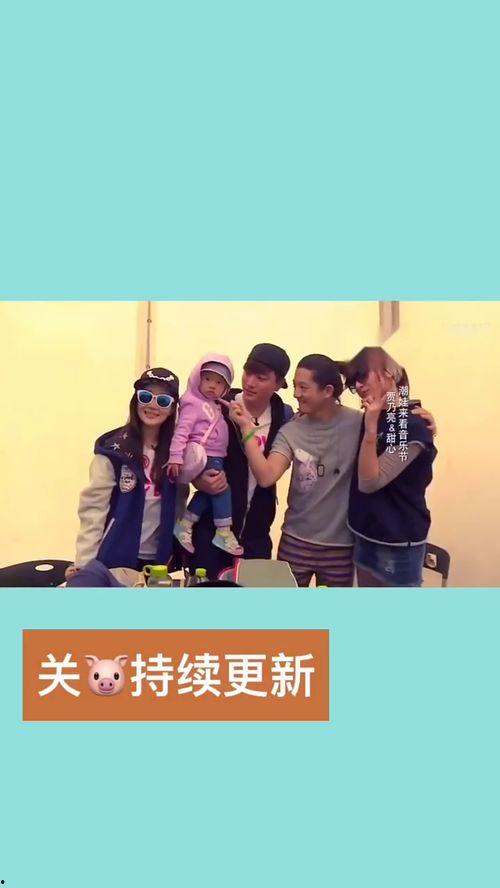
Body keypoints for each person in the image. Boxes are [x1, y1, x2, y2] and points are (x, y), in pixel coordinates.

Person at [228, 354, 437, 587]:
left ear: (327, 391)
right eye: (295, 386)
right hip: (296, 542)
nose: (296, 393)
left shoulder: (359, 423)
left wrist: (422, 423)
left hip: (343, 547)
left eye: (303, 387)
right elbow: (266, 476)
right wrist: (246, 428)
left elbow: (397, 429)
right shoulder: (291, 430)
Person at [185, 343, 294, 579]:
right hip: (211, 528)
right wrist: (198, 479)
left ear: (278, 384)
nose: (250, 382)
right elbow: (187, 450)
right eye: (247, 372)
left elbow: (271, 474)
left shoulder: (284, 416)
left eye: (261, 378)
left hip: (256, 535)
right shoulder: (216, 405)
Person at [67, 368, 180, 578]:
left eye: (163, 401)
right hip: (113, 561)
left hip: (160, 563)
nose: (152, 405)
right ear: (135, 400)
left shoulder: (177, 453)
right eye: (145, 396)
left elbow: (181, 501)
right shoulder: (113, 450)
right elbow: (93, 510)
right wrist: (84, 565)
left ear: (173, 408)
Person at [343, 347, 437, 587]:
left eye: (362, 376)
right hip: (365, 532)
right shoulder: (378, 413)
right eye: (354, 383)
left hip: (396, 540)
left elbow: (370, 482)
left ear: (388, 374)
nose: (359, 386)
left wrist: (371, 426)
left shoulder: (412, 425)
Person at [167, 354, 243, 557]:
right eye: (207, 379)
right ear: (197, 377)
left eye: (219, 383)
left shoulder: (215, 403)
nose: (212, 385)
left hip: (216, 455)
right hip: (205, 455)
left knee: (208, 492)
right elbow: (181, 431)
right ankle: (223, 532)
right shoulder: (193, 403)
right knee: (221, 489)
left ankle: (185, 524)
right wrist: (175, 456)